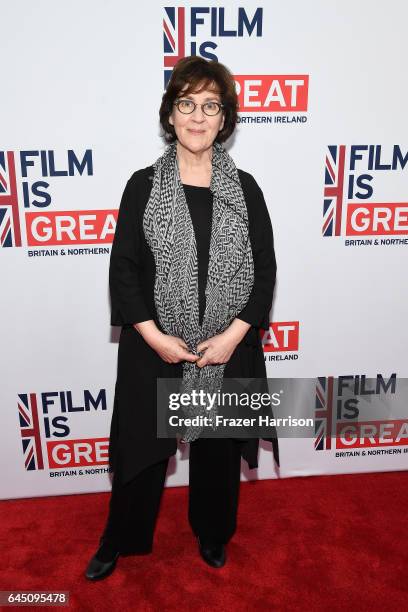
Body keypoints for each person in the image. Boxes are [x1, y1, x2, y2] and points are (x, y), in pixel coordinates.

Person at [85, 55, 279, 581]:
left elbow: (265, 274)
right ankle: (118, 539)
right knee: (139, 452)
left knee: (217, 454)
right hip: (156, 345)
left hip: (227, 344)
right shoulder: (142, 185)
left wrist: (231, 336)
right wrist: (154, 337)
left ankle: (213, 533)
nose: (198, 117)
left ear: (225, 119)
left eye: (210, 106)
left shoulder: (249, 191)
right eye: (187, 104)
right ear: (170, 115)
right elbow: (122, 270)